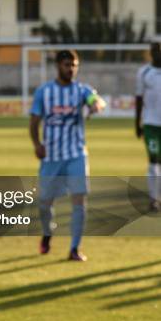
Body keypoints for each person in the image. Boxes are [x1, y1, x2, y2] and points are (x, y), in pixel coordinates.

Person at [29, 49, 106, 261]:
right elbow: (34, 122)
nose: (71, 69)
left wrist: (95, 106)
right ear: (58, 66)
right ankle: (47, 232)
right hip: (51, 156)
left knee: (79, 201)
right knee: (44, 203)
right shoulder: (44, 92)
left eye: (74, 65)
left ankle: (74, 248)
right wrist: (37, 144)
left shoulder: (82, 90)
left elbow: (96, 100)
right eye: (66, 65)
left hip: (76, 154)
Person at [135, 42, 161, 212]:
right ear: (151, 53)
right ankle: (153, 199)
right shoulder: (143, 72)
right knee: (153, 161)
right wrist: (137, 122)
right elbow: (138, 98)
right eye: (155, 51)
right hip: (151, 124)